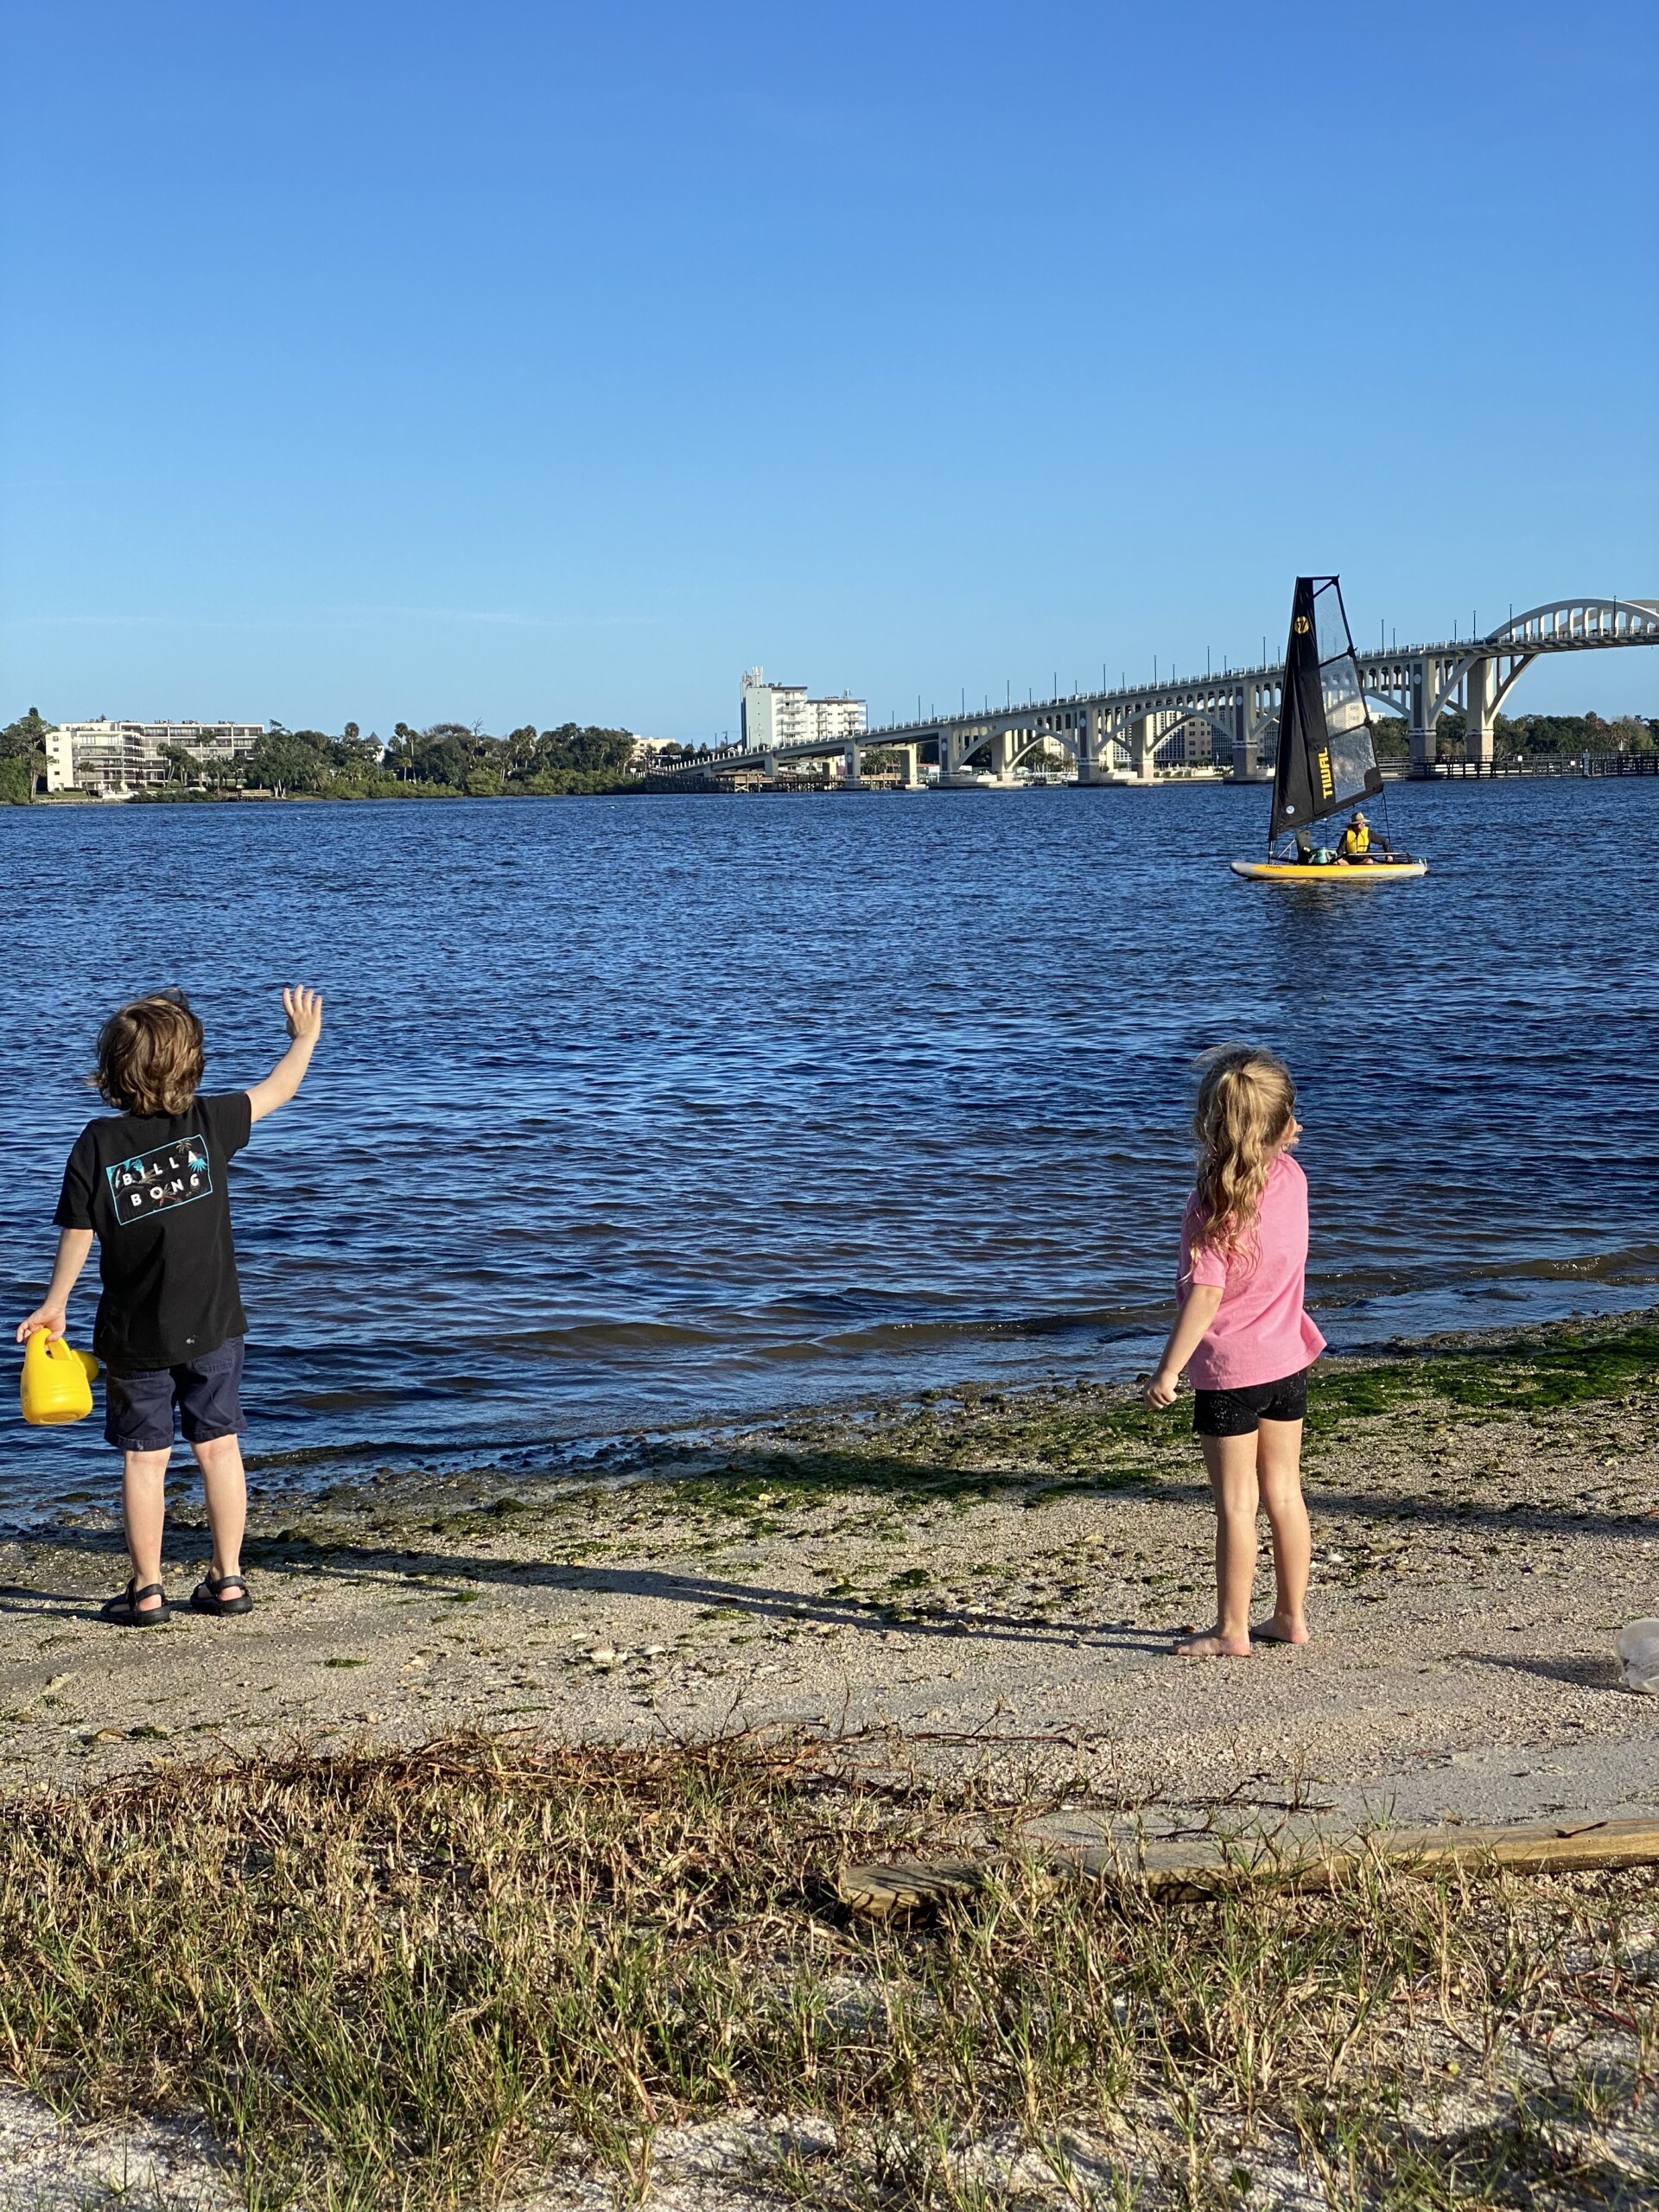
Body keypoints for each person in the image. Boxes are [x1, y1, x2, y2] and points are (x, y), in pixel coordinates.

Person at [16, 986, 324, 1626]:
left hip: (135, 1335)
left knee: (144, 1459)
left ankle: (147, 1588)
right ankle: (228, 1580)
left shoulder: (97, 1144)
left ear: (111, 1070)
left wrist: (55, 1304)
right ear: (193, 1066)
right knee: (219, 1448)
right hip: (213, 1324)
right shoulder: (208, 1124)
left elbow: (79, 1230)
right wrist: (303, 1039)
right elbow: (279, 1089)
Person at [1141, 1046, 1326, 1657]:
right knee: (1285, 1494)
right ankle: (1291, 1616)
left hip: (1229, 1372)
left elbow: (1205, 1295)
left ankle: (1231, 1630)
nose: (1301, 1125)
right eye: (1292, 1115)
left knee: (1237, 1507)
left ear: (1209, 1124)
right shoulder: (1292, 1179)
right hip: (1288, 1359)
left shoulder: (1213, 1203)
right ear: (1278, 1126)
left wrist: (1169, 1368)